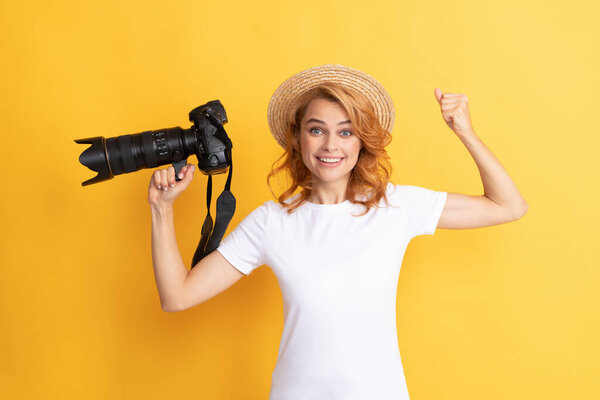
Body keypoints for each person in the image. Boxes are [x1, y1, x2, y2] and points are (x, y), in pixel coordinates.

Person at [148, 64, 528, 400]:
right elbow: (177, 296)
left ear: (362, 142)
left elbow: (508, 206)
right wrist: (161, 209)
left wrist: (465, 131)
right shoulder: (271, 222)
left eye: (346, 133)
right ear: (299, 139)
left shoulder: (394, 207)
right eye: (318, 130)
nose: (331, 145)